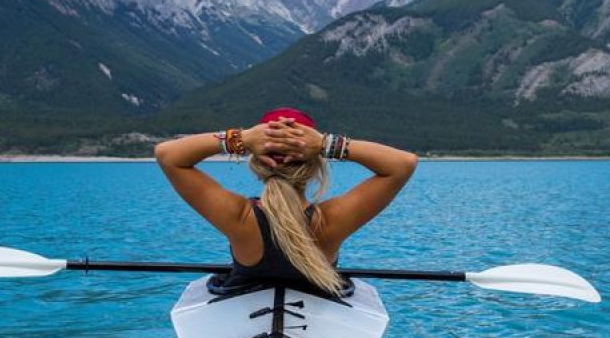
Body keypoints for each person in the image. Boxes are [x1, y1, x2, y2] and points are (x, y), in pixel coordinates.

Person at [154, 107, 417, 295]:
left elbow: (168, 155)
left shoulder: (238, 217)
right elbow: (403, 164)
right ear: (315, 163)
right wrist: (327, 143)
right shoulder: (331, 221)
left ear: (256, 161)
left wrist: (242, 138)